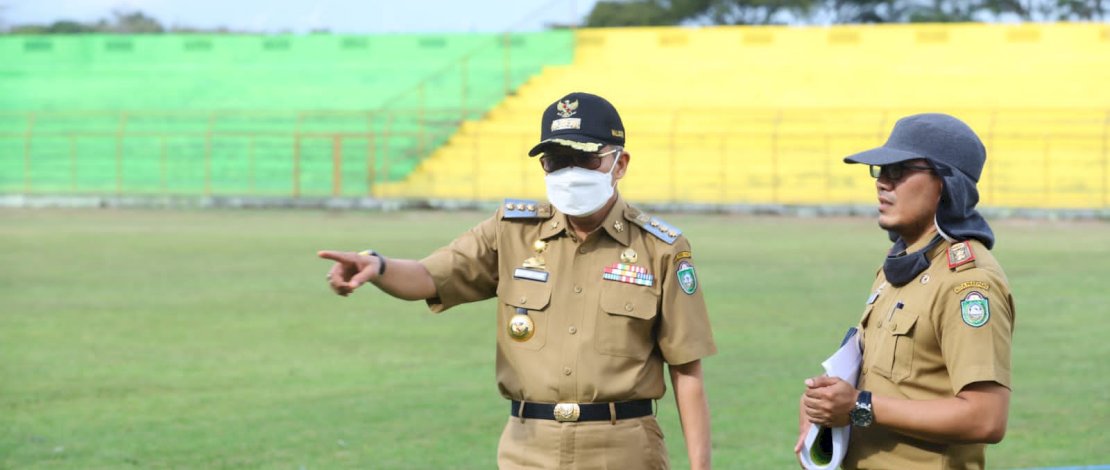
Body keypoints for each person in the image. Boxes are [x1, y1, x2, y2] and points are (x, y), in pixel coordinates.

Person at [320, 92, 716, 470]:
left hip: (625, 448)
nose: (570, 172)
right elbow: (429, 275)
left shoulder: (661, 248)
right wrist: (379, 266)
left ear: (621, 163)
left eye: (586, 159)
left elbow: (686, 370)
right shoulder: (510, 233)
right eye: (556, 160)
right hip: (528, 448)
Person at [795, 113, 1016, 469]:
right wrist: (823, 404)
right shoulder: (898, 264)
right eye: (880, 172)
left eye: (898, 171)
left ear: (946, 183)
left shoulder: (967, 282)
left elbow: (986, 417)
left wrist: (857, 406)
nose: (883, 183)